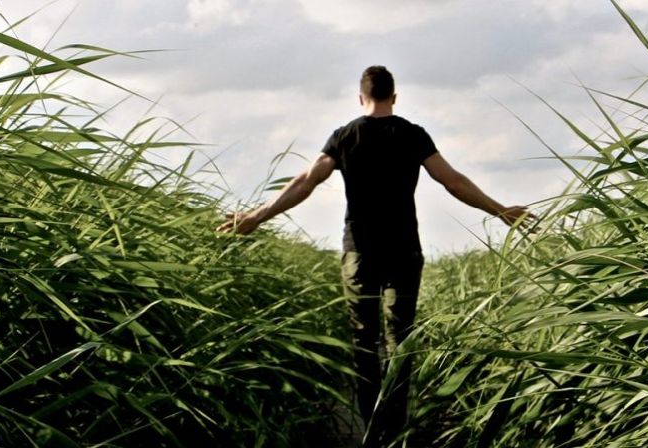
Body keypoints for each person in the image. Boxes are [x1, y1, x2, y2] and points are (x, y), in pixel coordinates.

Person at [216, 65, 534, 446]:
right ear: (394, 97)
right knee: (401, 339)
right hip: (404, 251)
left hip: (360, 252)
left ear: (360, 97)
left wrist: (255, 216)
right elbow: (453, 182)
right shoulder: (413, 135)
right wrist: (500, 211)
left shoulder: (345, 136)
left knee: (364, 341)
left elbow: (305, 182)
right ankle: (396, 429)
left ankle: (372, 431)